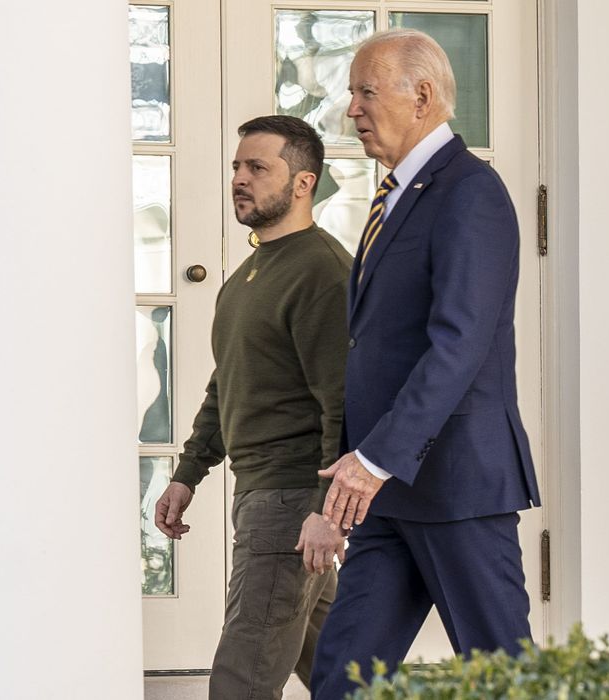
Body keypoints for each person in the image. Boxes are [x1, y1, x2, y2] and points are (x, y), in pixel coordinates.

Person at [309, 29, 542, 700]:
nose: (351, 110)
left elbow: (459, 343)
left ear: (423, 95)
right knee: (343, 677)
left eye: (364, 92)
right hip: (384, 492)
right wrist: (356, 467)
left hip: (456, 483)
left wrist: (375, 459)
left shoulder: (470, 193)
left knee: (504, 677)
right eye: (351, 93)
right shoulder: (394, 197)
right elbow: (372, 351)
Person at [154, 115, 352, 699]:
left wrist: (325, 512)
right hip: (263, 493)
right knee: (339, 673)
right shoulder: (246, 275)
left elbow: (343, 402)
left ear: (302, 183)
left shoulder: (322, 272)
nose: (239, 178)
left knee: (242, 675)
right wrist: (188, 473)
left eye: (257, 168)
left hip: (291, 502)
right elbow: (229, 383)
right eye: (237, 167)